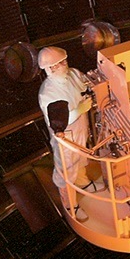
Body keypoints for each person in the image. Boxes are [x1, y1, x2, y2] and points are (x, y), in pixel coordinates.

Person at [37, 46, 100, 191]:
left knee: (81, 156)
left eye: (64, 61)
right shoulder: (47, 93)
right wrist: (79, 110)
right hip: (66, 134)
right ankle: (70, 202)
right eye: (61, 62)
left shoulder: (72, 74)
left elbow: (85, 82)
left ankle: (83, 182)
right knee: (67, 167)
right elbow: (58, 122)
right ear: (51, 68)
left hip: (80, 125)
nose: (65, 64)